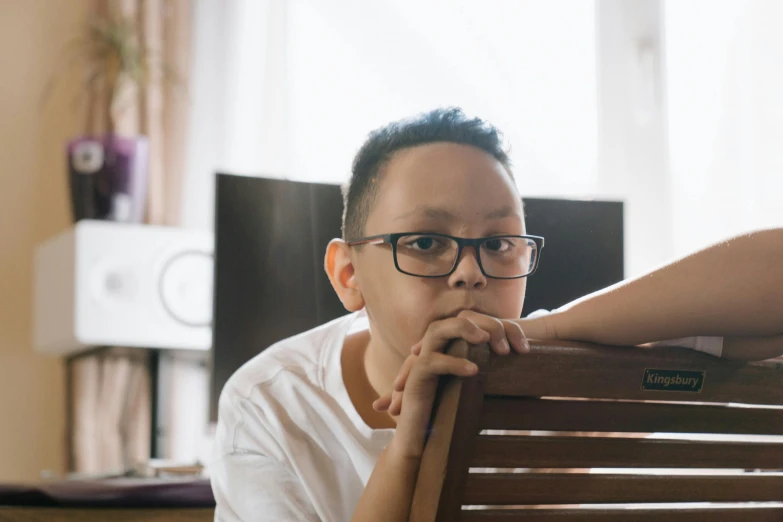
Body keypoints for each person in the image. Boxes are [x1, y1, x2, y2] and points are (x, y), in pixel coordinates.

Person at [210, 108, 783, 522]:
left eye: (500, 243)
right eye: (427, 242)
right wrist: (408, 450)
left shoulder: (560, 368)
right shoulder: (270, 405)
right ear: (348, 275)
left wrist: (545, 330)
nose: (471, 273)